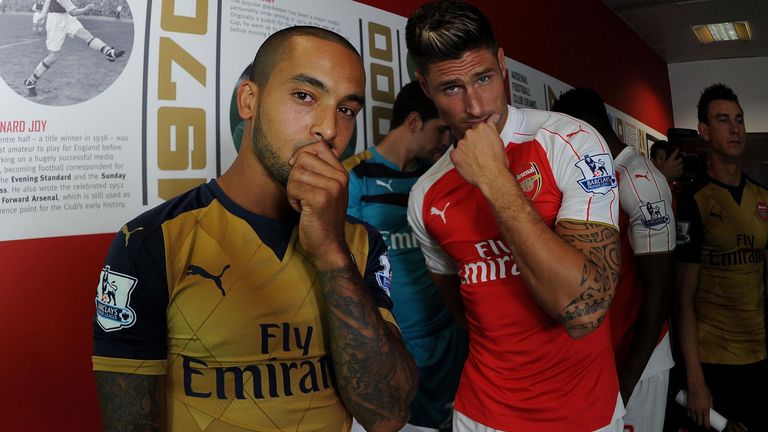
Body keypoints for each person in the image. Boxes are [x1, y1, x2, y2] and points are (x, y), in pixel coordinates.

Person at [92, 26, 418, 432]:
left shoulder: (361, 242)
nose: (330, 130)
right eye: (305, 96)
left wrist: (333, 256)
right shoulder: (151, 241)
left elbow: (387, 415)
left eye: (346, 109)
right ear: (249, 100)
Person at [405, 2, 623, 431]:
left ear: (502, 64)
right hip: (483, 413)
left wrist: (495, 181)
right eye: (451, 88)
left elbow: (586, 312)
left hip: (585, 412)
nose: (474, 105)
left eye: (484, 78)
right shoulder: (426, 194)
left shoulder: (570, 141)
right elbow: (462, 308)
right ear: (425, 87)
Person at [343, 81, 466, 431]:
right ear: (414, 121)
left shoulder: (436, 178)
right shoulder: (355, 175)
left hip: (448, 335)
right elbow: (348, 268)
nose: (446, 141)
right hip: (395, 341)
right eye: (441, 130)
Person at [552, 88, 676, 432]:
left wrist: (625, 385)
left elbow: (660, 293)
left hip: (641, 360)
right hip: (609, 349)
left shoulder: (640, 180)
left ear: (582, 129)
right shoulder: (592, 175)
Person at [675, 83, 768, 431]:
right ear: (704, 131)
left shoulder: (763, 198)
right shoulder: (695, 202)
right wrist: (696, 381)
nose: (735, 128)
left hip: (759, 358)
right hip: (714, 362)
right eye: (723, 120)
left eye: (739, 120)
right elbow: (682, 300)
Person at [23, 0, 125, 97]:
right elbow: (74, 12)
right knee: (52, 57)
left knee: (86, 34)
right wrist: (86, 8)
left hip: (67, 17)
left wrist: (42, 14)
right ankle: (31, 81)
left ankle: (109, 52)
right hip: (56, 22)